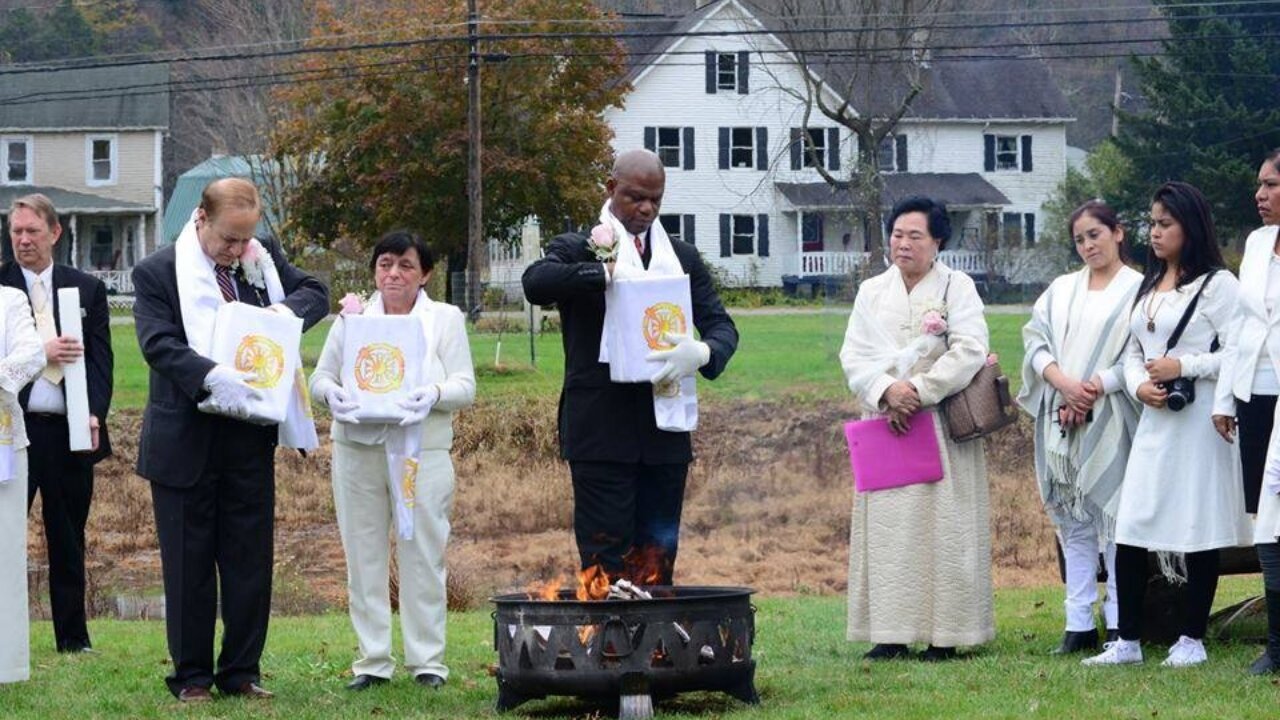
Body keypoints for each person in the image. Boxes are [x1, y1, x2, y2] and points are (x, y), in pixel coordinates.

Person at [132, 178, 328, 701]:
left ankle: (241, 671)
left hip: (247, 438)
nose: (236, 251)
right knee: (188, 566)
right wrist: (215, 374)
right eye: (228, 240)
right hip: (184, 438)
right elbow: (158, 344)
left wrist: (281, 315)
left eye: (245, 240)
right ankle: (191, 677)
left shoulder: (261, 262)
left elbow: (317, 293)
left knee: (249, 561)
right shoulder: (156, 272)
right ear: (201, 218)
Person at [522, 149, 738, 585]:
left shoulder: (681, 256)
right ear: (610, 189)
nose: (646, 209)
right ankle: (605, 646)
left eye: (656, 200)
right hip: (601, 430)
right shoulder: (578, 247)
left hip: (664, 431)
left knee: (657, 557)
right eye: (636, 198)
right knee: (606, 559)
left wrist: (702, 352)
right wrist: (601, 274)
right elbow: (535, 282)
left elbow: (720, 325)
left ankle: (655, 650)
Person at [1083, 181, 1249, 668]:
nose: (1154, 233)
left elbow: (1238, 352)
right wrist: (1138, 386)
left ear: (1189, 226)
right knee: (1132, 527)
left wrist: (1184, 368)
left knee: (1197, 526)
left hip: (1199, 422)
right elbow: (1134, 351)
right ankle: (1128, 640)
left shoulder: (1218, 285)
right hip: (1156, 421)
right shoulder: (1147, 284)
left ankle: (1192, 638)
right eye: (1152, 223)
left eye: (1165, 223)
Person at [311, 230, 475, 691]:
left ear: (424, 274)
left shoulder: (444, 319)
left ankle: (427, 661)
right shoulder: (352, 319)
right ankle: (372, 661)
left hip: (422, 450)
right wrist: (331, 395)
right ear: (374, 272)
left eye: (405, 265)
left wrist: (435, 394)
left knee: (424, 553)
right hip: (358, 450)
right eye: (385, 264)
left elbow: (466, 385)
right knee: (363, 556)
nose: (394, 274)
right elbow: (319, 378)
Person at [840, 196, 994, 661]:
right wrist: (887, 391)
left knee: (944, 530)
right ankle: (889, 633)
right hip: (887, 424)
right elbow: (854, 355)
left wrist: (920, 391)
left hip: (940, 422)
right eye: (897, 234)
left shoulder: (956, 287)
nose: (903, 245)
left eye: (915, 236)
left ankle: (946, 635)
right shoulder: (872, 291)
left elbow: (970, 349)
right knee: (888, 531)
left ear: (937, 241)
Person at [1018, 200, 1141, 654]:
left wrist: (1091, 390)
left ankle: (1119, 623)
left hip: (1113, 414)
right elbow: (1036, 341)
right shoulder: (1062, 289)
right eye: (1080, 239)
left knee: (1113, 519)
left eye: (1096, 234)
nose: (1089, 245)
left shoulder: (1139, 288)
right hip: (1061, 416)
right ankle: (1077, 623)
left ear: (1118, 232)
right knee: (1073, 522)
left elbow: (1138, 350)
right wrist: (1065, 386)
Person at [2, 194, 113, 655]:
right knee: (5, 533)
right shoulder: (2, 290)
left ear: (55, 232)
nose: (23, 240)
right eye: (15, 232)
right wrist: (39, 356)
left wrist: (94, 414)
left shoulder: (86, 289)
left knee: (68, 535)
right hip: (11, 431)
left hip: (68, 431)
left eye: (32, 231)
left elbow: (102, 362)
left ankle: (72, 638)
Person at [1216, 148, 1280, 674]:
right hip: (1255, 392)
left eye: (1271, 185)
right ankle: (1277, 645)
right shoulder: (1257, 244)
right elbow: (1240, 325)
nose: (1260, 195)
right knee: (1267, 516)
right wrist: (1225, 398)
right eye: (1260, 184)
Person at [0, 279, 52, 684]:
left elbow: (32, 354)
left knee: (5, 555)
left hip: (3, 442)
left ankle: (7, 663)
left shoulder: (10, 300)